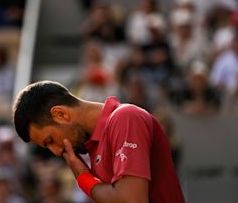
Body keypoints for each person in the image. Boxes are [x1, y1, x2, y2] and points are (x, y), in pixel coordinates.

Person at [12, 81, 185, 202]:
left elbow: (131, 200)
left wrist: (83, 178)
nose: (56, 151)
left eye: (50, 141)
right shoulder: (94, 147)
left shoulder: (125, 118)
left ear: (61, 114)